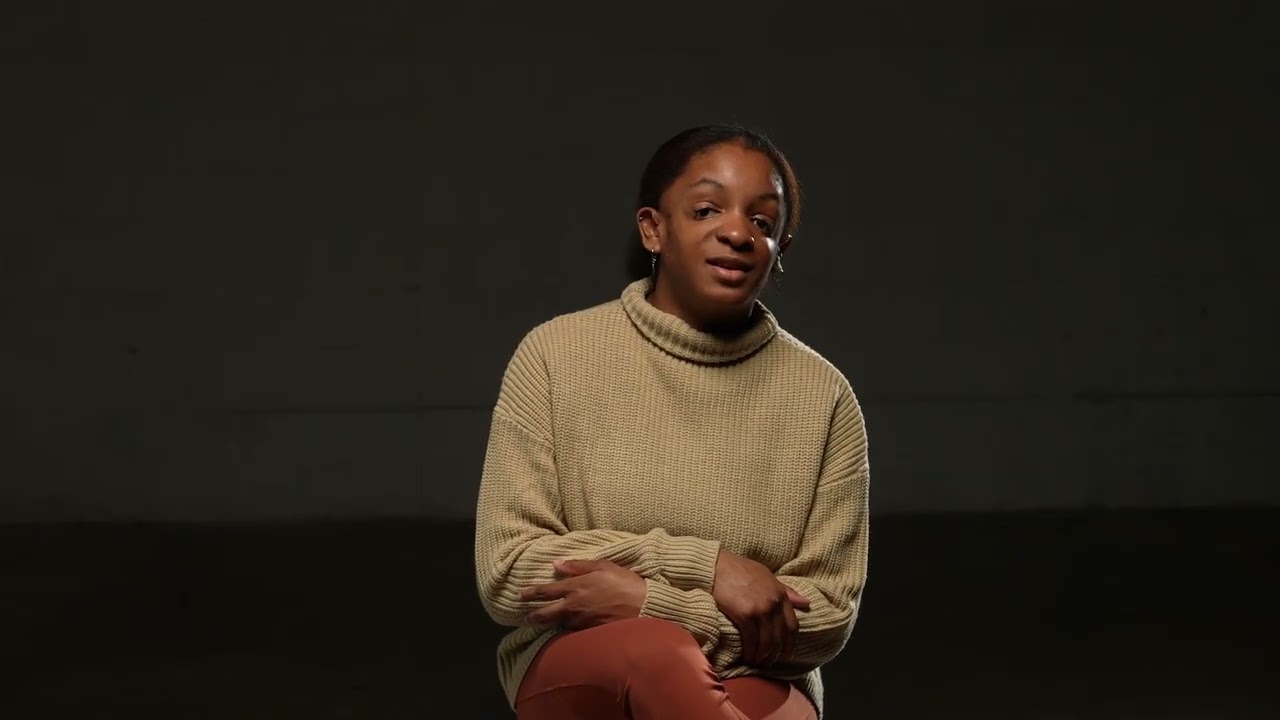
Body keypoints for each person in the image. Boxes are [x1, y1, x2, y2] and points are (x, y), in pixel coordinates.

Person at [474, 124, 870, 720]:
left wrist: (646, 599)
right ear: (653, 228)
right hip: (582, 663)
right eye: (707, 209)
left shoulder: (823, 396)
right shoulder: (556, 356)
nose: (738, 233)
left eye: (763, 223)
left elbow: (826, 617)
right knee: (655, 652)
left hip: (758, 672)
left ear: (779, 249)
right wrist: (711, 569)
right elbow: (510, 569)